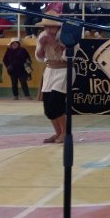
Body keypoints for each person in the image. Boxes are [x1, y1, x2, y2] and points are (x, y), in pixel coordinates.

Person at [35, 12, 68, 143]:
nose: (48, 30)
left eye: (51, 27)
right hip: (49, 70)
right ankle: (58, 132)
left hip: (64, 70)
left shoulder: (67, 35)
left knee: (56, 102)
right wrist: (42, 45)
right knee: (47, 107)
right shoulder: (42, 36)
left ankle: (65, 133)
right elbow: (39, 57)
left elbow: (68, 56)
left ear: (58, 27)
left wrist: (53, 42)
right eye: (46, 27)